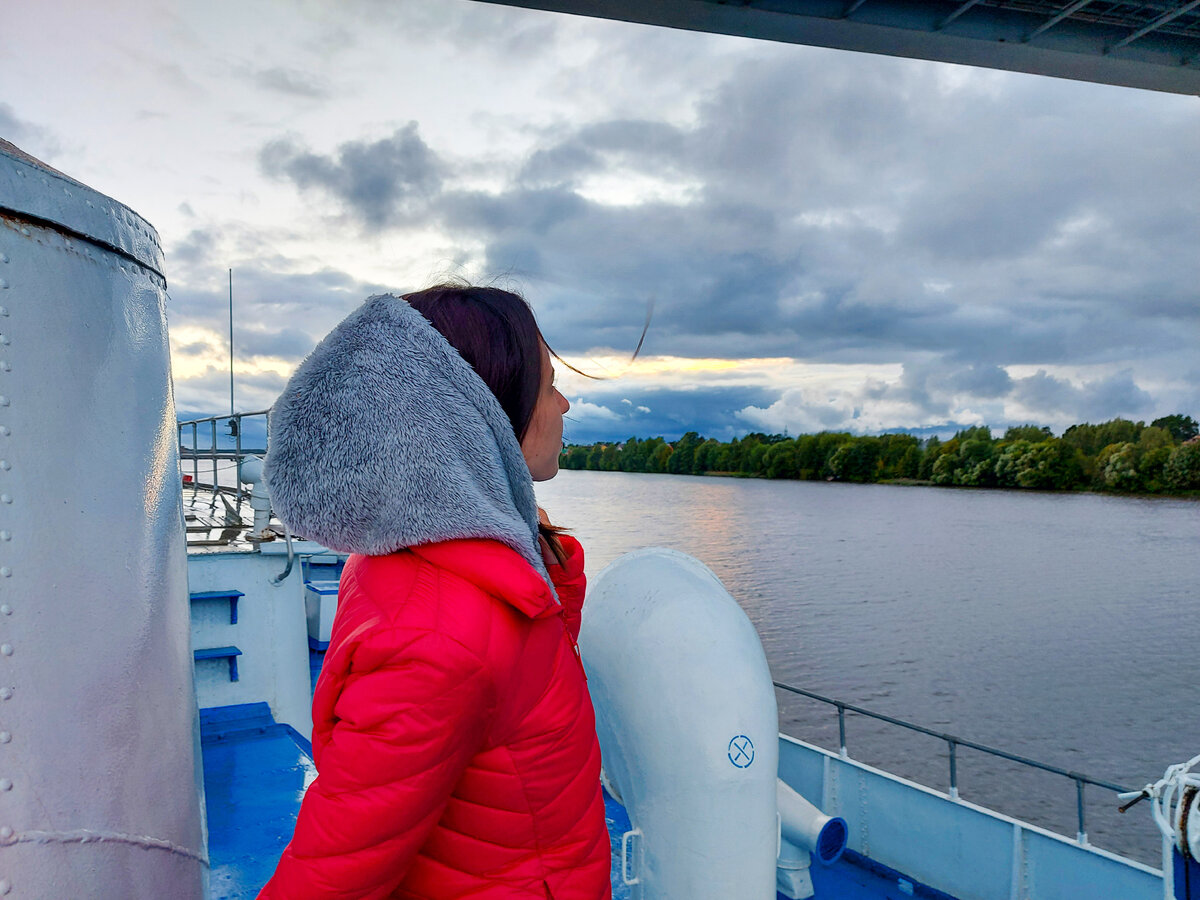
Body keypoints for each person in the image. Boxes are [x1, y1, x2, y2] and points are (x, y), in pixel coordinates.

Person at [258, 286, 611, 899]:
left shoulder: (460, 558)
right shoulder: (440, 635)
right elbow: (330, 876)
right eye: (549, 383)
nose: (565, 402)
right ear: (489, 409)